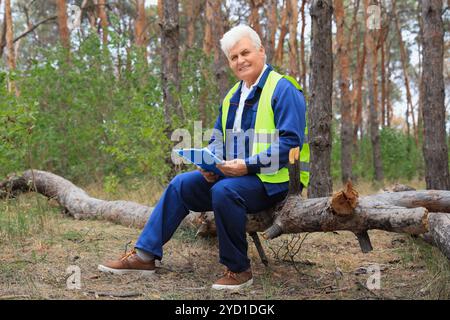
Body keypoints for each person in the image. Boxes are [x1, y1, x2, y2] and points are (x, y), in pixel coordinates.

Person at [98, 25, 309, 291]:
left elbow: (291, 145)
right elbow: (218, 139)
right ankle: (145, 256)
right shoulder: (233, 95)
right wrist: (211, 163)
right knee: (181, 185)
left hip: (276, 180)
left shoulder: (283, 89)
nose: (240, 60)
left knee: (224, 191)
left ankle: (238, 269)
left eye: (245, 52)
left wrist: (246, 165)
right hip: (239, 176)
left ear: (261, 51)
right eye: (234, 57)